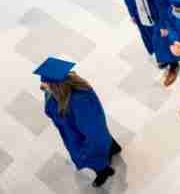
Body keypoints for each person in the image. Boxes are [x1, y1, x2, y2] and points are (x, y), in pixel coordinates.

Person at [34, 57, 121, 187]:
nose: (42, 86)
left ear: (56, 86)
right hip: (75, 130)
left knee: (93, 155)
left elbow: (93, 131)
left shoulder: (78, 100)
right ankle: (112, 147)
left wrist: (86, 150)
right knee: (103, 140)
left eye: (46, 83)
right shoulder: (61, 88)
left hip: (82, 136)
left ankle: (104, 171)